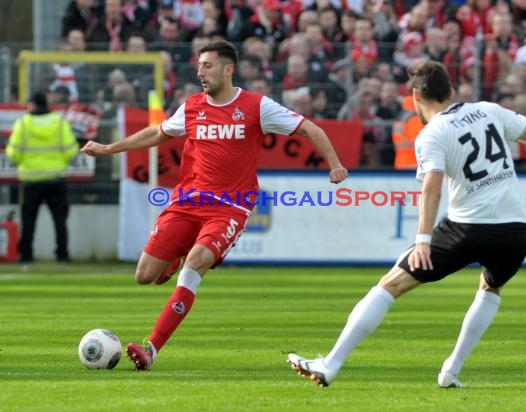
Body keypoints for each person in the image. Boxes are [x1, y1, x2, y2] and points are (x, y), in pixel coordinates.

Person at [81, 40, 348, 371]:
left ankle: (151, 348)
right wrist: (109, 149)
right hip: (187, 201)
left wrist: (334, 164)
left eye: (207, 66)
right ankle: (177, 254)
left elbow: (309, 128)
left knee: (195, 265)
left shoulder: (256, 107)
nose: (200, 72)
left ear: (228, 69)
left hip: (229, 208)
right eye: (198, 66)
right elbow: (157, 133)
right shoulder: (191, 106)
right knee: (143, 275)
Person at [287, 60, 526, 388]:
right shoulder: (488, 110)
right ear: (451, 91)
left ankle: (330, 364)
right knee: (490, 288)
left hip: (467, 228)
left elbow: (431, 186)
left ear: (415, 96)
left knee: (390, 284)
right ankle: (451, 371)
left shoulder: (432, 134)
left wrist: (423, 239)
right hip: (515, 231)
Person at [6, 92, 79, 263]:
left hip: (30, 180)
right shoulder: (59, 122)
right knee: (59, 219)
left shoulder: (23, 123)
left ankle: (26, 255)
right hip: (56, 178)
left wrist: (24, 163)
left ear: (32, 103)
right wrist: (58, 162)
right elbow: (71, 149)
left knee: (28, 219)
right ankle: (62, 254)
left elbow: (13, 152)